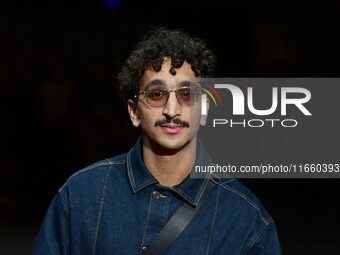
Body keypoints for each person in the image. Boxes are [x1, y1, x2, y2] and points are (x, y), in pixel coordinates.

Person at [32, 27, 282, 255]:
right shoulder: (79, 197)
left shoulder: (245, 219)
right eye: (156, 94)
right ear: (133, 111)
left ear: (204, 109)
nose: (172, 110)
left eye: (187, 94)